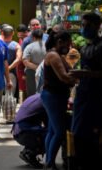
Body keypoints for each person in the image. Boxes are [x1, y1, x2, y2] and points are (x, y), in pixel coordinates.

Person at [70, 13, 102, 170]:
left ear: (97, 26)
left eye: (87, 25)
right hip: (82, 95)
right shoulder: (86, 47)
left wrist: (86, 74)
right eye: (82, 25)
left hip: (95, 96)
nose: (84, 28)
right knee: (78, 134)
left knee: (91, 137)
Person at [41, 31, 76, 169]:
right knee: (60, 131)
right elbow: (63, 77)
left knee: (52, 130)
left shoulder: (57, 55)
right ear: (60, 41)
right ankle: (50, 163)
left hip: (55, 96)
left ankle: (49, 161)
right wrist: (79, 78)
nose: (70, 45)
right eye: (68, 43)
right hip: (53, 96)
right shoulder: (53, 56)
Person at [12, 93, 48, 169]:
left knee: (44, 131)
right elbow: (49, 124)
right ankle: (30, 153)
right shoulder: (45, 101)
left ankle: (28, 151)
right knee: (50, 135)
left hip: (18, 131)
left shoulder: (37, 97)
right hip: (23, 132)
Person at [0, 24, 22, 109]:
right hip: (11, 74)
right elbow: (18, 59)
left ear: (2, 33)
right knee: (10, 94)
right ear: (13, 33)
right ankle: (9, 114)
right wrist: (9, 68)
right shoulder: (16, 45)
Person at [23, 29, 47, 97]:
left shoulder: (29, 47)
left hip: (31, 72)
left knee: (32, 94)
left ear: (33, 37)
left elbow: (25, 61)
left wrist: (37, 67)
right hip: (45, 72)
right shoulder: (48, 46)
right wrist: (41, 68)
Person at [17, 24, 29, 103]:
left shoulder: (27, 40)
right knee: (23, 88)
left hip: (26, 67)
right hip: (21, 67)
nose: (19, 35)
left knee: (27, 87)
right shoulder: (21, 40)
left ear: (25, 33)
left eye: (20, 33)